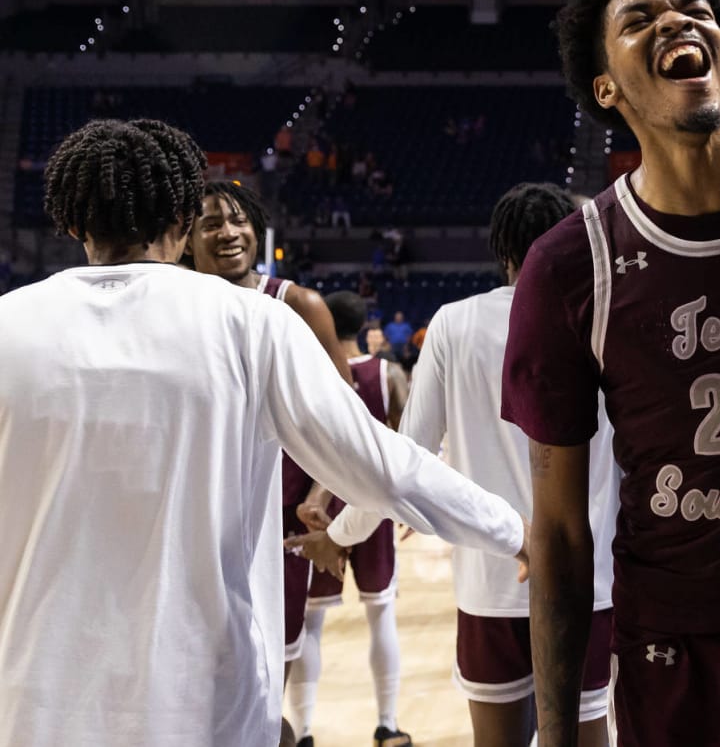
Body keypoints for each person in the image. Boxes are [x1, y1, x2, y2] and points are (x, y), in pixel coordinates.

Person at [0, 118, 531, 746]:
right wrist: (515, 531)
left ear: (72, 220)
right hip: (203, 701)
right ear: (182, 218)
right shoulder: (251, 324)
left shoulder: (9, 324)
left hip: (30, 698)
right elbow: (381, 465)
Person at [502, 0, 720, 747]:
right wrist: (559, 732)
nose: (675, 22)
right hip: (678, 645)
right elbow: (564, 532)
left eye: (692, 9)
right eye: (639, 19)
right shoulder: (571, 264)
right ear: (605, 87)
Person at [300, 186, 621, 747]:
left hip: (488, 579)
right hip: (585, 579)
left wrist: (342, 533)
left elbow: (408, 454)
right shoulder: (605, 317)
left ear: (503, 252)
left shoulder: (453, 322)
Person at [186, 178, 357, 725]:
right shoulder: (177, 304)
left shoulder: (298, 304)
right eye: (210, 222)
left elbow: (345, 419)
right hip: (193, 512)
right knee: (198, 674)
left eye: (239, 220)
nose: (229, 232)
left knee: (265, 677)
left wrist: (320, 496)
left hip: (276, 516)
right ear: (186, 239)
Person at [286, 290, 412, 747]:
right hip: (371, 502)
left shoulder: (308, 375)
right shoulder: (388, 372)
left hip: (319, 505)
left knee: (311, 623)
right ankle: (388, 723)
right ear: (363, 326)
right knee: (381, 614)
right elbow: (407, 441)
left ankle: (302, 731)